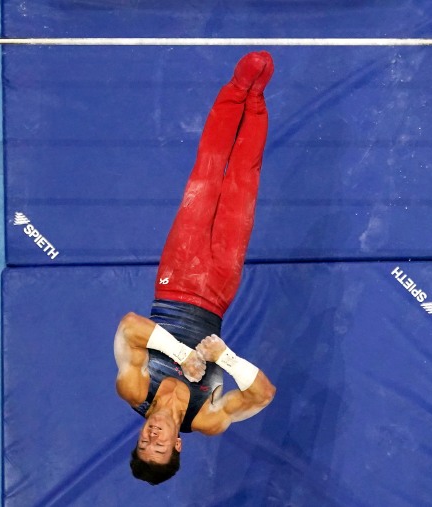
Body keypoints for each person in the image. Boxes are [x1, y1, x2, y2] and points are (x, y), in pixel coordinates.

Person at [113, 51, 277, 485]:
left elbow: (131, 327)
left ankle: (237, 89)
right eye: (160, 446)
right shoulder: (205, 418)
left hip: (177, 280)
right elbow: (263, 394)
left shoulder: (134, 391)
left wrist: (186, 356)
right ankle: (257, 100)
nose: (152, 438)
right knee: (242, 183)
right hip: (220, 290)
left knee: (206, 174)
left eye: (144, 444)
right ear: (177, 444)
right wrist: (220, 356)